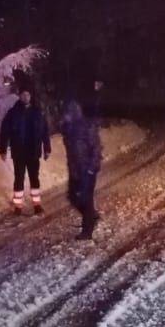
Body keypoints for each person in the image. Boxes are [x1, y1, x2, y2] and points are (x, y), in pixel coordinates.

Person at [0, 88, 51, 215]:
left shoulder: (38, 113)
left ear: (30, 96)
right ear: (20, 96)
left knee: (34, 178)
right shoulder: (12, 113)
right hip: (19, 153)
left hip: (33, 152)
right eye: (23, 95)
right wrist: (3, 149)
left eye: (28, 94)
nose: (26, 97)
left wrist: (47, 148)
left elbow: (45, 131)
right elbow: (4, 132)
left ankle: (37, 205)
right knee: (19, 178)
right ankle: (18, 207)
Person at [59, 99, 102, 239]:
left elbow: (96, 147)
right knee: (72, 196)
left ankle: (87, 231)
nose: (64, 116)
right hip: (75, 169)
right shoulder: (68, 130)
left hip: (87, 169)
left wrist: (92, 167)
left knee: (86, 198)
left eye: (67, 113)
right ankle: (90, 216)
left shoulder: (86, 127)